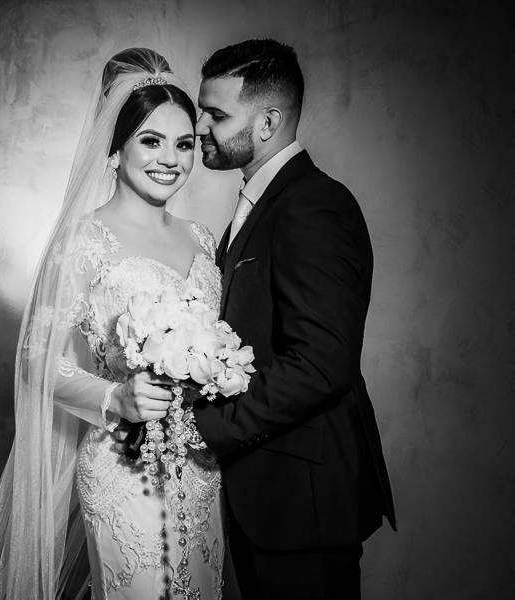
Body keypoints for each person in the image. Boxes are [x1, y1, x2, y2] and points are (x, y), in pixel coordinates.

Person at [0, 48, 227, 599]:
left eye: (184, 144)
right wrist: (115, 397)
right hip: (124, 465)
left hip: (200, 464)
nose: (170, 159)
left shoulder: (203, 239)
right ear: (115, 149)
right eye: (151, 141)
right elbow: (35, 359)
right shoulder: (84, 240)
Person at [191, 39, 396, 599]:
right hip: (264, 497)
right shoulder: (259, 204)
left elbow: (322, 363)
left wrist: (206, 429)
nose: (200, 126)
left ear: (268, 122)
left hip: (304, 499)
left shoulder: (313, 205)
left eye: (216, 114)